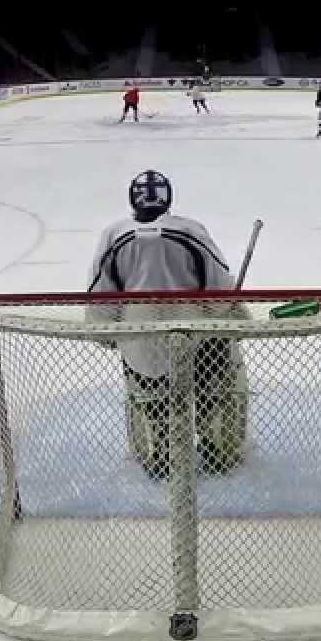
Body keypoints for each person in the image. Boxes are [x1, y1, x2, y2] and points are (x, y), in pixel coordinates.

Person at [86, 170, 248, 479]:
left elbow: (101, 297)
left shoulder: (113, 235)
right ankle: (216, 449)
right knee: (217, 386)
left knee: (151, 397)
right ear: (168, 200)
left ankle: (160, 449)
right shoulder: (191, 230)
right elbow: (219, 288)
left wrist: (105, 333)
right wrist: (233, 318)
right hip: (197, 344)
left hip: (140, 346)